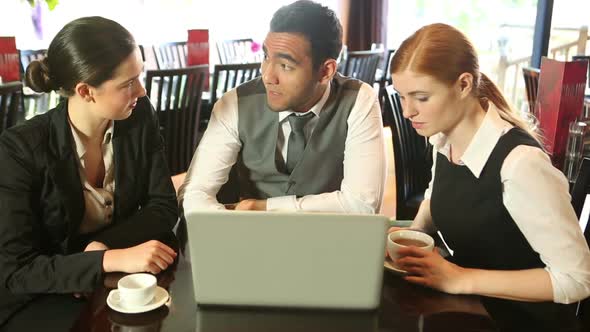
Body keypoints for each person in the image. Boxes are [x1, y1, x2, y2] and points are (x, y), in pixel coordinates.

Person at [388, 23, 590, 331]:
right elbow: (436, 195)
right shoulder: (443, 141)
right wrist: (414, 234)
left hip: (523, 322)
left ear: (464, 84)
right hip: (471, 310)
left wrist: (460, 278)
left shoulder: (520, 164)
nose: (407, 111)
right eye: (402, 97)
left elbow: (577, 279)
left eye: (421, 97)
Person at [0, 17, 178, 325]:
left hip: (108, 284)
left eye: (140, 76)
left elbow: (162, 206)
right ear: (85, 91)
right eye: (128, 83)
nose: (142, 90)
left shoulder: (137, 118)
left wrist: (98, 250)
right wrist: (106, 258)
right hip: (43, 297)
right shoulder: (20, 149)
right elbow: (15, 271)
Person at [180, 0, 385, 214]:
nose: (268, 77)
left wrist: (265, 208)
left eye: (286, 66)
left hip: (327, 239)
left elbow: (362, 204)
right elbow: (195, 194)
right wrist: (230, 224)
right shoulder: (235, 103)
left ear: (325, 71)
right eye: (266, 57)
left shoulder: (358, 100)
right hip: (251, 238)